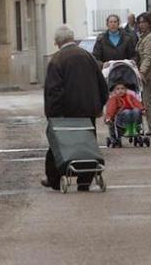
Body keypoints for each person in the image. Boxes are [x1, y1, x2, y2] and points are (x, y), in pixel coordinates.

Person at [43, 25, 109, 191]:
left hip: (67, 111)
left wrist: (52, 113)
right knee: (87, 144)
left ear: (58, 42)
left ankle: (54, 178)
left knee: (59, 145)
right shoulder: (88, 57)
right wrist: (100, 104)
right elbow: (102, 83)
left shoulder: (57, 60)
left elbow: (54, 90)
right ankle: (85, 180)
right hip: (88, 110)